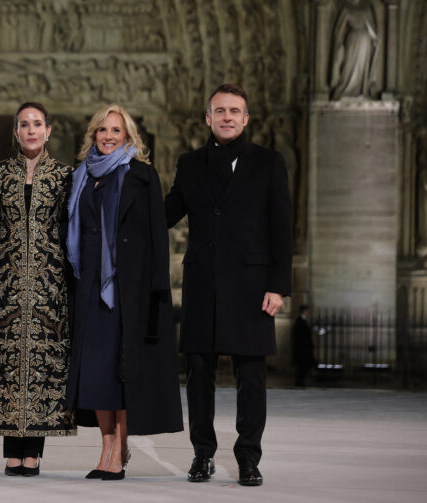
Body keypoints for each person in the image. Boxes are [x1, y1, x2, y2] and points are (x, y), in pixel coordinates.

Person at [165, 84, 293, 486]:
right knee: (199, 375)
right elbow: (167, 212)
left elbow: (282, 229)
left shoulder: (269, 163)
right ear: (208, 118)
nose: (227, 117)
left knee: (251, 379)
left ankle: (248, 458)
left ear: (246, 118)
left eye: (234, 111)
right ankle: (202, 454)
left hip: (252, 285)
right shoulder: (190, 163)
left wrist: (279, 286)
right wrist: (131, 188)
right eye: (219, 111)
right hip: (203, 282)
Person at [66, 105, 183, 480]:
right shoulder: (80, 176)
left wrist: (157, 289)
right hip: (88, 289)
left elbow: (156, 236)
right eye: (103, 129)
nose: (109, 135)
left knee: (123, 372)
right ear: (93, 135)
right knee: (97, 374)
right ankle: (106, 447)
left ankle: (120, 449)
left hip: (125, 290)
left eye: (116, 130)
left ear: (128, 136)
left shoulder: (142, 176)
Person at [0, 102, 75, 476]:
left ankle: (33, 451)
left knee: (43, 366)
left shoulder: (66, 176)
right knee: (8, 363)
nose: (31, 130)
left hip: (51, 286)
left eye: (37, 124)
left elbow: (76, 232)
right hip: (9, 284)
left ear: (49, 130)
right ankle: (11, 449)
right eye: (24, 125)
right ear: (15, 132)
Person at [293, 305, 315, 387]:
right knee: (301, 366)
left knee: (303, 366)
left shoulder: (302, 321)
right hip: (302, 348)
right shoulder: (300, 321)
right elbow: (301, 336)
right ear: (304, 311)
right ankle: (300, 382)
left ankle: (301, 381)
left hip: (304, 348)